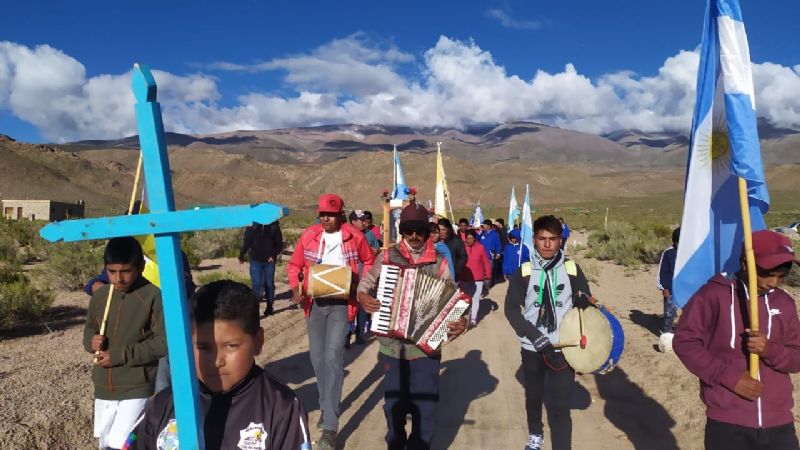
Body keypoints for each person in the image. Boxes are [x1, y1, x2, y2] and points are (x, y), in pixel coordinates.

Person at [124, 280, 311, 450]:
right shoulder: (163, 405)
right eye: (203, 347)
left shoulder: (281, 408)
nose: (216, 361)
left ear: (258, 342)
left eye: (231, 346)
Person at [673, 230, 800, 450]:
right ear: (745, 263)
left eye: (782, 275)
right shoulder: (713, 295)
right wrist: (729, 378)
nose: (773, 282)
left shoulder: (785, 303)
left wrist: (770, 350)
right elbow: (685, 342)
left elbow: (797, 357)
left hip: (779, 424)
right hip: (727, 423)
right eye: (767, 273)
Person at [357, 202, 469, 450]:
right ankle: (396, 443)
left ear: (427, 232)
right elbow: (366, 283)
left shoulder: (439, 261)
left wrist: (463, 319)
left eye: (420, 231)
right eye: (409, 231)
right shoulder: (387, 256)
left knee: (425, 405)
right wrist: (363, 296)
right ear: (402, 232)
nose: (414, 236)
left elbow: (454, 299)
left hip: (425, 348)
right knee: (394, 404)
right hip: (392, 346)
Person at [287, 193, 374, 450]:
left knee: (333, 359)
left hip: (342, 304)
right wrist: (296, 288)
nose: (326, 219)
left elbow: (369, 261)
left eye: (331, 215)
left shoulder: (354, 236)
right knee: (317, 359)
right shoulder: (309, 235)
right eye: (322, 214)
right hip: (314, 304)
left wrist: (360, 285)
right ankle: (326, 406)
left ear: (340, 215)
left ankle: (330, 428)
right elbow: (294, 265)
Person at [504, 215, 594, 450]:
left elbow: (584, 302)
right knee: (534, 396)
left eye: (552, 239)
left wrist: (584, 301)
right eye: (542, 238)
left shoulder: (571, 269)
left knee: (560, 405)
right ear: (534, 239)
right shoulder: (524, 272)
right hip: (532, 347)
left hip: (563, 347)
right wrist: (535, 336)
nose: (547, 244)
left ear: (560, 240)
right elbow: (511, 309)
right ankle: (535, 434)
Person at [83, 237, 166, 450]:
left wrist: (120, 355)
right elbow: (89, 329)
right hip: (103, 386)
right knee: (105, 443)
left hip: (137, 385)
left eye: (126, 271)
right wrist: (91, 341)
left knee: (124, 443)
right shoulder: (100, 296)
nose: (118, 279)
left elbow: (163, 343)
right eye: (112, 272)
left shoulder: (153, 297)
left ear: (140, 267)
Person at [348, 209, 381, 347]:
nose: (364, 223)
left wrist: (375, 251)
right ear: (353, 221)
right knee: (349, 307)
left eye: (364, 220)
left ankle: (360, 334)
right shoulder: (346, 234)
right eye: (361, 220)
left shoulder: (370, 234)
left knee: (362, 306)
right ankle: (347, 335)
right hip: (349, 276)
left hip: (364, 275)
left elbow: (376, 249)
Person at [239, 221, 284, 317]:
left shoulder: (274, 225)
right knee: (256, 285)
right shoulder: (252, 225)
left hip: (269, 261)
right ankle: (255, 311)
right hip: (255, 260)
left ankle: (269, 307)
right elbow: (247, 241)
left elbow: (279, 244)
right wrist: (242, 254)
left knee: (269, 285)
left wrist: (273, 255)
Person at [460, 229, 492, 327]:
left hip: (478, 278)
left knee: (475, 298)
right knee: (465, 298)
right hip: (465, 278)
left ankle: (473, 318)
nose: (469, 240)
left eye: (471, 238)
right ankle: (463, 316)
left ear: (475, 238)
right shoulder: (462, 248)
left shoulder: (481, 247)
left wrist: (488, 274)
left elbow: (486, 262)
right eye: (467, 238)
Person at [656, 227, 680, 334]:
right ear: (674, 241)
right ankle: (666, 333)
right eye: (678, 243)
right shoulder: (668, 253)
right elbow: (662, 272)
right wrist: (663, 287)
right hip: (670, 289)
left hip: (686, 288)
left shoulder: (689, 252)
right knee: (669, 314)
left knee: (689, 313)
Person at [479, 219, 503, 286]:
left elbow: (498, 244)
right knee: (482, 271)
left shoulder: (495, 234)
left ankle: (487, 286)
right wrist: (479, 233)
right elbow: (478, 241)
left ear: (489, 226)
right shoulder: (482, 233)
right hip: (481, 257)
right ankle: (483, 285)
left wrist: (498, 253)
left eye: (485, 225)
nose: (483, 226)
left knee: (489, 272)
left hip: (490, 257)